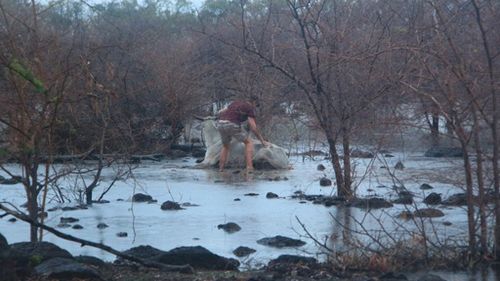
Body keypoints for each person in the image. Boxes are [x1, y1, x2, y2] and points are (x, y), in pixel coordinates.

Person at [216, 96, 269, 172]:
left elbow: (221, 111)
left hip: (220, 124)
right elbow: (253, 127)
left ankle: (221, 169)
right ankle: (249, 168)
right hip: (232, 124)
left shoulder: (235, 102)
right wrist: (262, 140)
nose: (255, 107)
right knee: (248, 142)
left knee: (225, 146)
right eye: (256, 105)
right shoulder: (249, 107)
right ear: (254, 102)